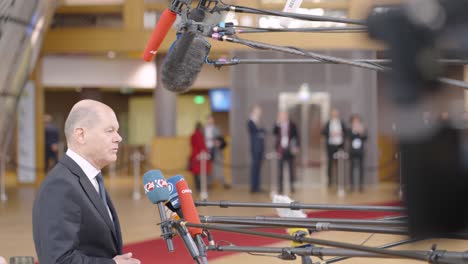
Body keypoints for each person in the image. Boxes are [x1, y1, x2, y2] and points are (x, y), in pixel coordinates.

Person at [32, 100, 140, 264]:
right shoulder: (60, 185)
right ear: (81, 135)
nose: (118, 138)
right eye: (109, 131)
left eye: (117, 131)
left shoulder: (91, 178)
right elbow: (58, 260)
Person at [273, 111, 299, 194]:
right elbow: (274, 132)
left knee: (291, 169)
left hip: (290, 149)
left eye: (284, 115)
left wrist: (297, 147)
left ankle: (292, 186)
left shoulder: (293, 124)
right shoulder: (278, 125)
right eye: (281, 116)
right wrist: (277, 123)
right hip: (281, 150)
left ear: (287, 116)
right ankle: (280, 188)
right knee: (280, 170)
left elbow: (297, 136)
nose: (283, 117)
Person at [321, 108, 347, 187]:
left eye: (336, 113)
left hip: (339, 145)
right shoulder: (328, 123)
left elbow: (346, 132)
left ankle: (340, 180)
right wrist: (330, 133)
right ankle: (330, 181)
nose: (335, 115)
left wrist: (341, 133)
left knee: (340, 164)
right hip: (331, 146)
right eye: (333, 114)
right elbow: (323, 132)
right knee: (330, 163)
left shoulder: (341, 123)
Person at [247, 105, 266, 193]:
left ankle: (257, 186)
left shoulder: (259, 121)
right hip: (255, 148)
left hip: (260, 148)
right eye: (258, 111)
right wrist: (261, 132)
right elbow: (256, 132)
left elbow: (262, 131)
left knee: (258, 168)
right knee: (255, 168)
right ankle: (254, 187)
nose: (260, 113)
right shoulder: (251, 121)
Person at [204, 115, 226, 188]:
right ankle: (208, 183)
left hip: (215, 150)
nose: (210, 121)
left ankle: (223, 182)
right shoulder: (204, 129)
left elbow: (220, 139)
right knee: (208, 167)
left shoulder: (216, 129)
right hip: (207, 150)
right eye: (209, 119)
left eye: (211, 119)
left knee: (218, 167)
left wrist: (216, 142)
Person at [190, 122, 212, 191]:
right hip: (200, 155)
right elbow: (201, 146)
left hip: (195, 155)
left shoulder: (193, 135)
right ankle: (200, 187)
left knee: (196, 173)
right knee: (201, 172)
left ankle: (198, 186)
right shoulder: (199, 135)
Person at [348, 114, 367, 192]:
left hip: (360, 151)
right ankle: (352, 185)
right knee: (351, 168)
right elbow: (349, 137)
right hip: (352, 151)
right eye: (354, 121)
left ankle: (361, 185)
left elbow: (365, 138)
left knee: (361, 168)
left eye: (357, 120)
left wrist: (361, 132)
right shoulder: (350, 129)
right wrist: (354, 131)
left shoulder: (362, 129)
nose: (356, 122)